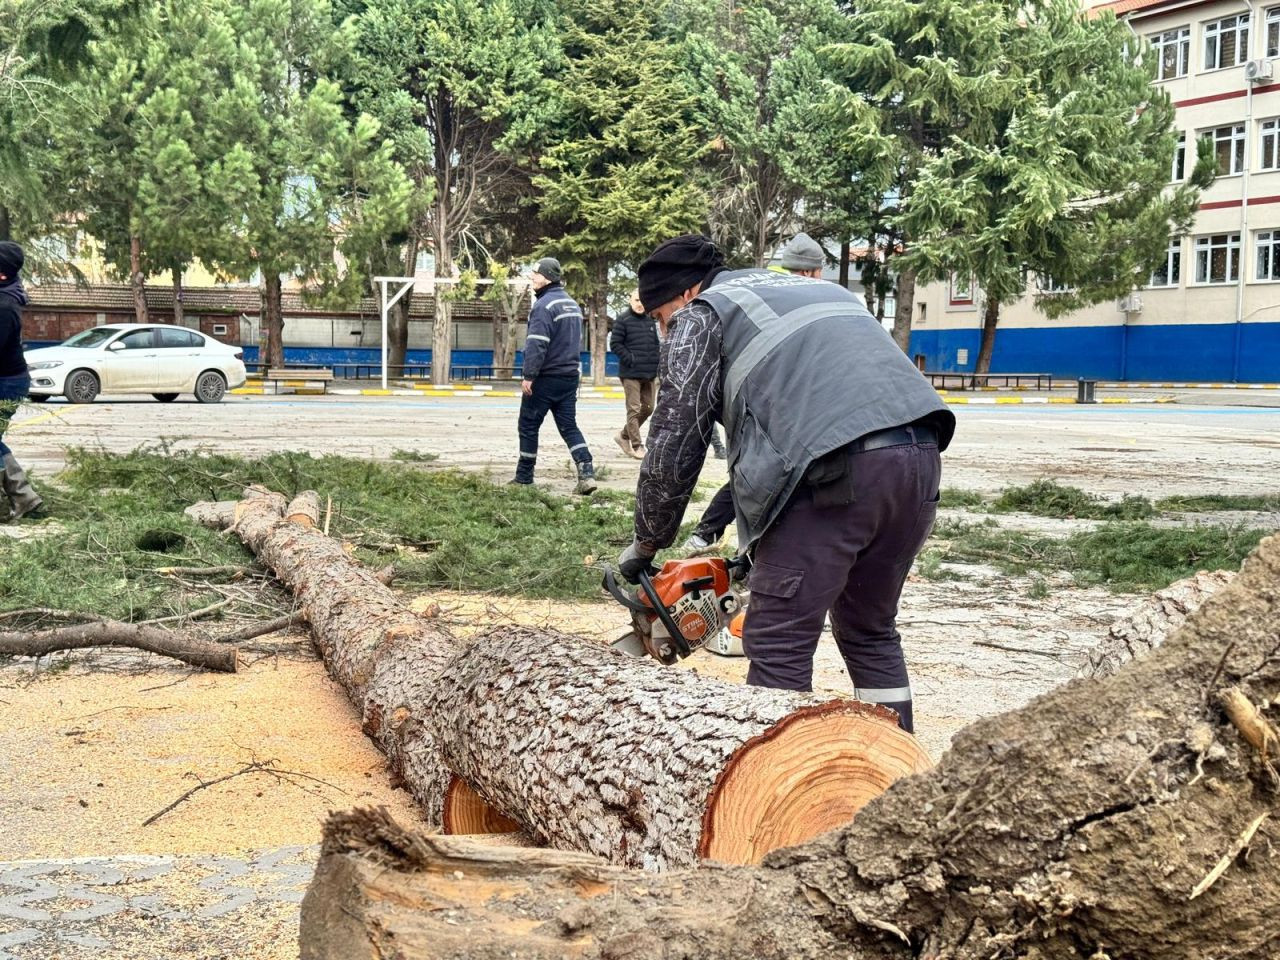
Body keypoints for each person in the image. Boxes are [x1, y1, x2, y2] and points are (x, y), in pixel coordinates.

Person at [616, 234, 955, 733]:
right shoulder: (819, 292)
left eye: (661, 318)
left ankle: (776, 797)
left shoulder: (702, 314)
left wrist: (647, 542)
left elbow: (674, 442)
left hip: (833, 473)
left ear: (685, 295)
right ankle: (897, 777)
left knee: (778, 640)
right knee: (870, 629)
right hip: (920, 455)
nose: (665, 333)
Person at [681, 231, 825, 553]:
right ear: (811, 271)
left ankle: (711, 536)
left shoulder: (765, 284)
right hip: (783, 400)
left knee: (756, 473)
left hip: (757, 392)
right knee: (761, 476)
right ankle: (717, 539)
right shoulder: (810, 293)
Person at [513, 257, 596, 495]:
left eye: (536, 274)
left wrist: (529, 375)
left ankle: (524, 477)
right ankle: (587, 472)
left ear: (547, 277)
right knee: (569, 426)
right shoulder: (571, 304)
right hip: (570, 376)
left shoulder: (544, 306)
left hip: (546, 377)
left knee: (528, 424)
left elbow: (537, 344)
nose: (532, 277)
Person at [0, 241, 43, 521]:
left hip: (6, 382)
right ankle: (25, 497)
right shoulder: (5, 294)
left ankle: (24, 497)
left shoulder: (4, 306)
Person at [610, 290, 659, 459]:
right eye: (637, 300)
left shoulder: (651, 320)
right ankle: (637, 445)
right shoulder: (623, 320)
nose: (640, 304)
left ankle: (624, 435)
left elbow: (656, 345)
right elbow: (615, 344)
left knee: (649, 408)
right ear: (630, 300)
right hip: (630, 373)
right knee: (634, 409)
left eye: (643, 300)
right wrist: (630, 359)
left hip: (650, 373)